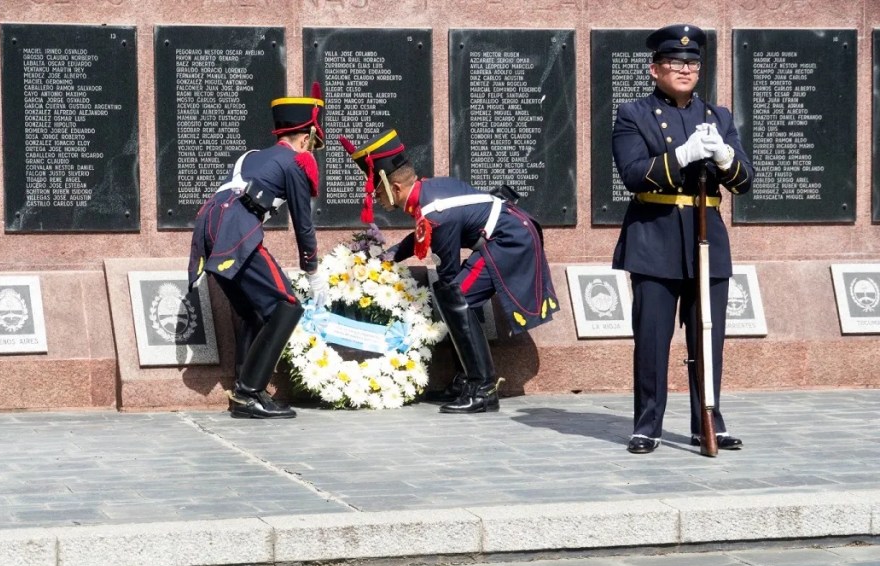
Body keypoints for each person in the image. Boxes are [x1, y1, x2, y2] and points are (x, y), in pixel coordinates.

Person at [340, 128, 560, 414]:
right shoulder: (428, 193)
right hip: (504, 234)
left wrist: (443, 298)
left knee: (457, 298)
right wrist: (392, 254)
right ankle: (466, 379)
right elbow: (423, 232)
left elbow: (448, 272)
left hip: (510, 240)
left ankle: (482, 389)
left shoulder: (435, 212)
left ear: (394, 189)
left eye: (377, 191)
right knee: (454, 299)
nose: (376, 198)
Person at [611, 24, 754, 454]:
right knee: (652, 339)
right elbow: (633, 174)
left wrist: (725, 156)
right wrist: (682, 156)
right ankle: (648, 424)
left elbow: (744, 181)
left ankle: (707, 419)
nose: (685, 68)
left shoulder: (719, 117)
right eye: (675, 62)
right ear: (654, 69)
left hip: (706, 237)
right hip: (654, 236)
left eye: (692, 63)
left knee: (708, 336)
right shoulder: (632, 114)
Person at [188, 83, 329, 419]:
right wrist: (313, 273)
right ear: (306, 137)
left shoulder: (253, 156)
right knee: (286, 304)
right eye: (312, 140)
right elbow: (303, 224)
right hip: (237, 232)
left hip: (210, 232)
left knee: (255, 311)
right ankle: (248, 393)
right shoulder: (295, 161)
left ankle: (247, 390)